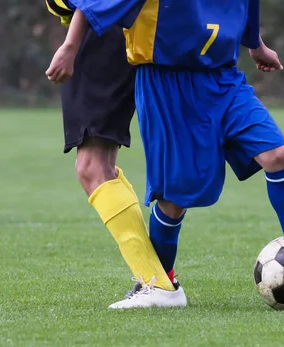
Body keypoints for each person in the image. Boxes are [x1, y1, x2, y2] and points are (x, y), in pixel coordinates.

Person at [52, 0, 284, 309]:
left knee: (278, 155)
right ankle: (158, 281)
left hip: (223, 79)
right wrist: (70, 47)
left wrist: (256, 46)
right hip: (167, 84)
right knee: (174, 200)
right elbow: (92, 6)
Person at [44, 2, 182, 304]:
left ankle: (157, 284)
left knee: (93, 167)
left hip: (101, 34)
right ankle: (160, 277)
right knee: (100, 165)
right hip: (121, 32)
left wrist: (70, 44)